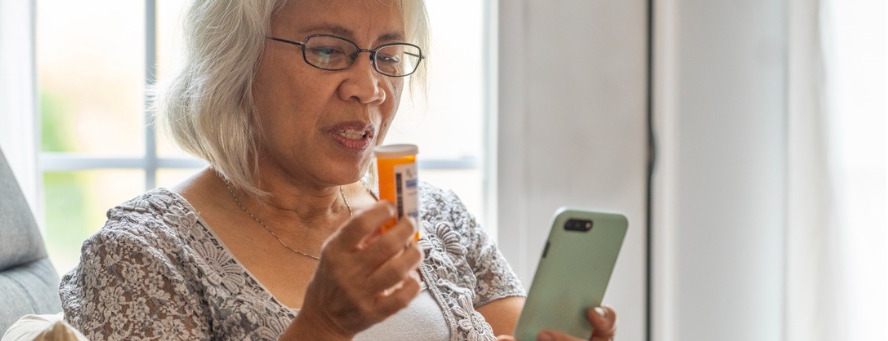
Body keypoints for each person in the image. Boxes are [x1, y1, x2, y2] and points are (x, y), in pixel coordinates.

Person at [58, 0, 618, 340]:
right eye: (328, 51)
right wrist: (322, 327)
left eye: (388, 56)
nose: (370, 89)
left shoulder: (437, 215)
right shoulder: (145, 251)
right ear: (236, 59)